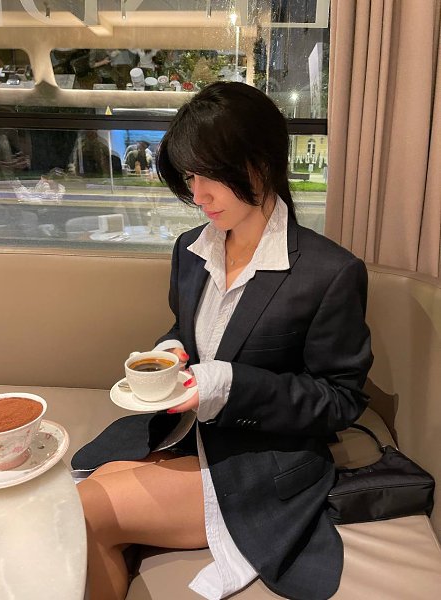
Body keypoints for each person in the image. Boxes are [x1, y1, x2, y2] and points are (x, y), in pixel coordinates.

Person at [78, 81, 373, 600]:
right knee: (82, 493)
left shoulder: (329, 272)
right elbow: (186, 331)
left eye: (210, 174)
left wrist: (231, 385)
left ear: (262, 162)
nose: (198, 195)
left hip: (263, 459)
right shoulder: (191, 250)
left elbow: (340, 400)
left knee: (82, 511)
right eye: (190, 176)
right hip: (185, 433)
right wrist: (170, 354)